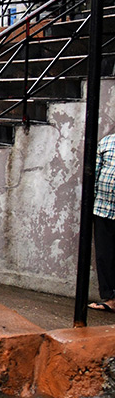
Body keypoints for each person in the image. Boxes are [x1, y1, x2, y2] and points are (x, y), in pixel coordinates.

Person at [92, 131, 115, 313]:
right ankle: (110, 298)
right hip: (102, 208)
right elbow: (95, 172)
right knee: (104, 254)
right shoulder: (107, 142)